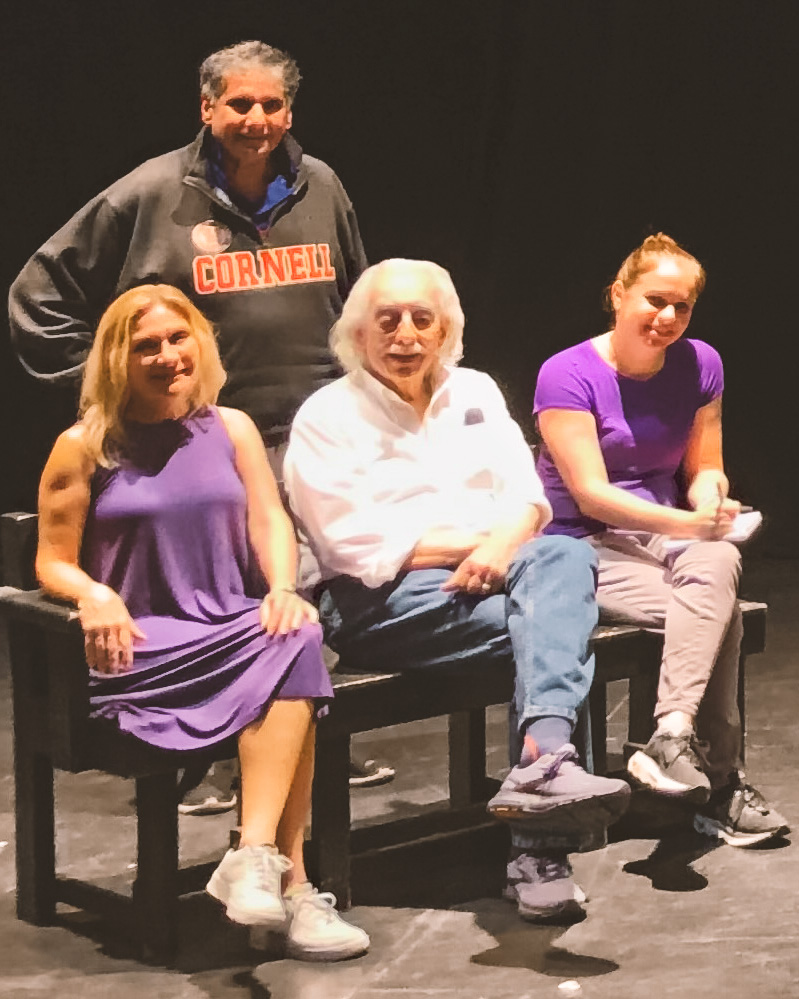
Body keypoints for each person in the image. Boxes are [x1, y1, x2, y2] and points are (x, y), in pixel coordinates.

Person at [9, 39, 391, 803]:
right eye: (240, 104)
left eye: (272, 105)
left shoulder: (322, 188)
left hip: (315, 435)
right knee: (238, 597)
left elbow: (356, 301)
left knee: (307, 597)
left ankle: (295, 735)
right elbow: (38, 296)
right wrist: (115, 392)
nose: (257, 119)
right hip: (210, 442)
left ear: (290, 112)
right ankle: (221, 754)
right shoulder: (153, 194)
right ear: (208, 108)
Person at [284, 258, 631, 925]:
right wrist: (485, 544)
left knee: (555, 565)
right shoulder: (326, 416)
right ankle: (541, 837)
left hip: (496, 578)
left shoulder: (474, 391)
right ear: (356, 335)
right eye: (387, 320)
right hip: (376, 604)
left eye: (422, 319)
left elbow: (527, 497)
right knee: (557, 616)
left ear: (447, 330)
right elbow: (350, 545)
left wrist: (501, 547)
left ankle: (541, 764)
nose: (405, 333)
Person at [35, 284, 370, 962]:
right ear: (116, 358)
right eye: (146, 345)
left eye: (177, 338)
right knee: (295, 668)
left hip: (226, 624)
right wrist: (93, 593)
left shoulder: (232, 427)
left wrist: (280, 585)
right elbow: (50, 560)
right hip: (145, 645)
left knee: (295, 633)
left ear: (200, 342)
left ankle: (254, 855)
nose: (167, 356)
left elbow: (268, 520)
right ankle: (295, 884)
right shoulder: (83, 446)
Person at [533, 232, 788, 848]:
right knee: (715, 610)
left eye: (682, 307)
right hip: (582, 542)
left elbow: (705, 467)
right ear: (618, 295)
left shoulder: (702, 363)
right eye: (654, 300)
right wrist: (688, 526)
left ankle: (670, 733)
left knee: (718, 557)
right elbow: (590, 494)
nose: (667, 318)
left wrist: (709, 502)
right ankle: (721, 785)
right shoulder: (566, 373)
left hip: (661, 534)